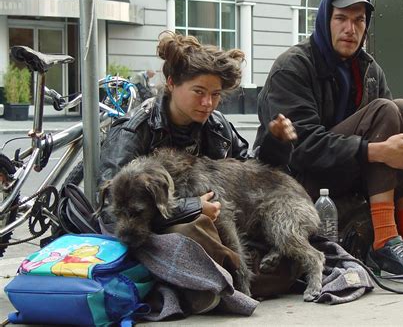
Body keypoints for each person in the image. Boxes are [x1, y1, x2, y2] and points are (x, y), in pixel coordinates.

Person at [254, 0, 403, 275]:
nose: (350, 29)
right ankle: (385, 242)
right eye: (341, 18)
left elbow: (394, 124)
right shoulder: (292, 67)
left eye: (359, 20)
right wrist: (378, 151)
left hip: (345, 174)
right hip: (297, 182)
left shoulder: (368, 68)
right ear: (325, 20)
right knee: (385, 111)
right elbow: (302, 148)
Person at [98, 31, 296, 281]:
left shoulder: (217, 126)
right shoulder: (133, 130)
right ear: (171, 83)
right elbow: (110, 210)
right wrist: (192, 208)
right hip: (153, 234)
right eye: (198, 92)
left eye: (215, 95)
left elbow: (250, 173)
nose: (208, 103)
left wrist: (276, 143)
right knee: (195, 228)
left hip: (215, 224)